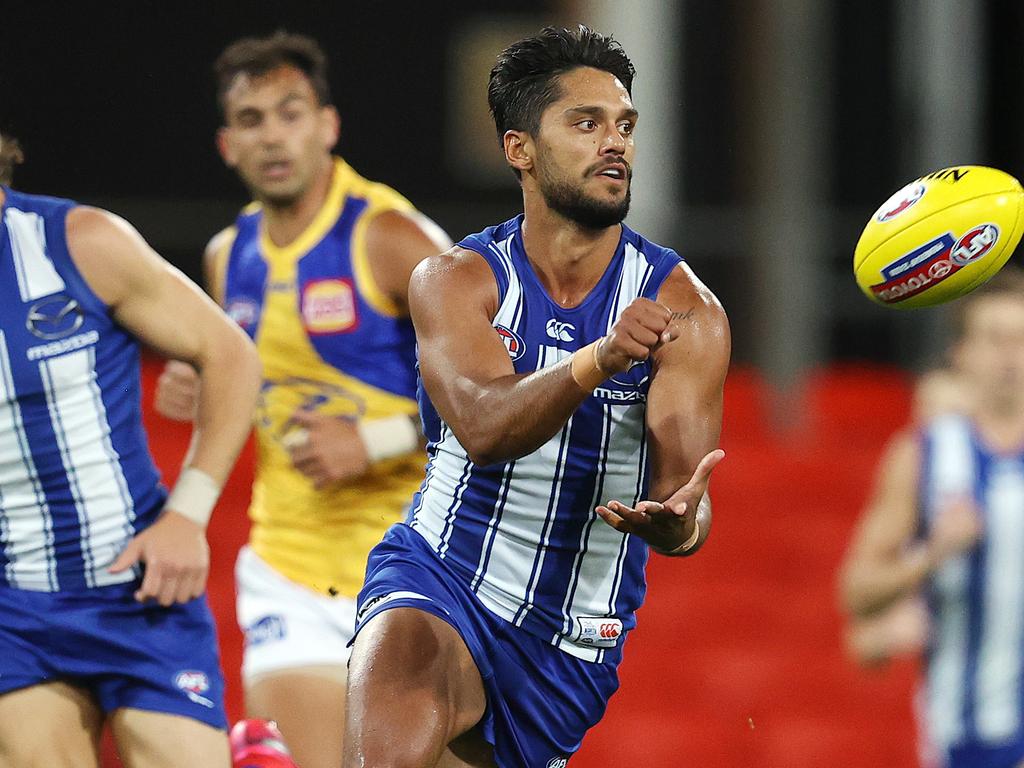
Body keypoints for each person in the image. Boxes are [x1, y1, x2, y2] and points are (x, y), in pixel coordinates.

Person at [342, 25, 731, 768]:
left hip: (570, 637)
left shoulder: (689, 312)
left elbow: (688, 498)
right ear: (519, 148)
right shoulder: (458, 280)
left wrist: (678, 521)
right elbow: (485, 427)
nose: (613, 142)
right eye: (585, 124)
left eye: (623, 125)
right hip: (442, 572)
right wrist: (601, 356)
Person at [153, 31, 451, 768]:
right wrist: (206, 386)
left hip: (417, 570)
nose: (273, 136)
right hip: (287, 571)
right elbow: (254, 383)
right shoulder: (230, 255)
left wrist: (373, 440)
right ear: (228, 145)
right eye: (252, 120)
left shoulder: (389, 237)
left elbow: (500, 394)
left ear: (328, 125)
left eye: (290, 113)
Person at [0, 133, 261, 767]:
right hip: (13, 613)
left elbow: (228, 355)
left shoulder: (78, 243)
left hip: (139, 590)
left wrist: (187, 515)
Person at [840, 268, 1024, 768]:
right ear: (961, 353)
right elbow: (856, 594)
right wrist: (930, 556)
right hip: (966, 740)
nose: (1010, 356)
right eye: (994, 339)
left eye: (1021, 340)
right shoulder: (926, 455)